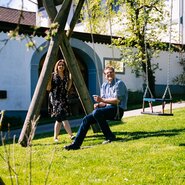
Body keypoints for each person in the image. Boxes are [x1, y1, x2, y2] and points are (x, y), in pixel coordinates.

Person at [64, 66, 128, 150]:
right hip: (107, 109)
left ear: (114, 73)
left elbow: (117, 101)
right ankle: (76, 144)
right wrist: (99, 104)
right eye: (107, 73)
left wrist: (102, 100)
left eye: (111, 72)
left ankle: (110, 136)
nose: (109, 74)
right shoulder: (104, 85)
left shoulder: (119, 83)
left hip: (117, 110)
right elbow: (104, 102)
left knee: (97, 112)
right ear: (105, 75)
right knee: (86, 119)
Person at [47, 59, 75, 142]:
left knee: (59, 119)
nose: (61, 66)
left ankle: (55, 137)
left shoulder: (66, 76)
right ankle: (71, 135)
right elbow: (48, 88)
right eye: (59, 65)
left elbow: (68, 86)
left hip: (63, 97)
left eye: (63, 65)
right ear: (57, 66)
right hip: (55, 98)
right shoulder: (53, 75)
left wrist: (71, 79)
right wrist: (48, 81)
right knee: (63, 116)